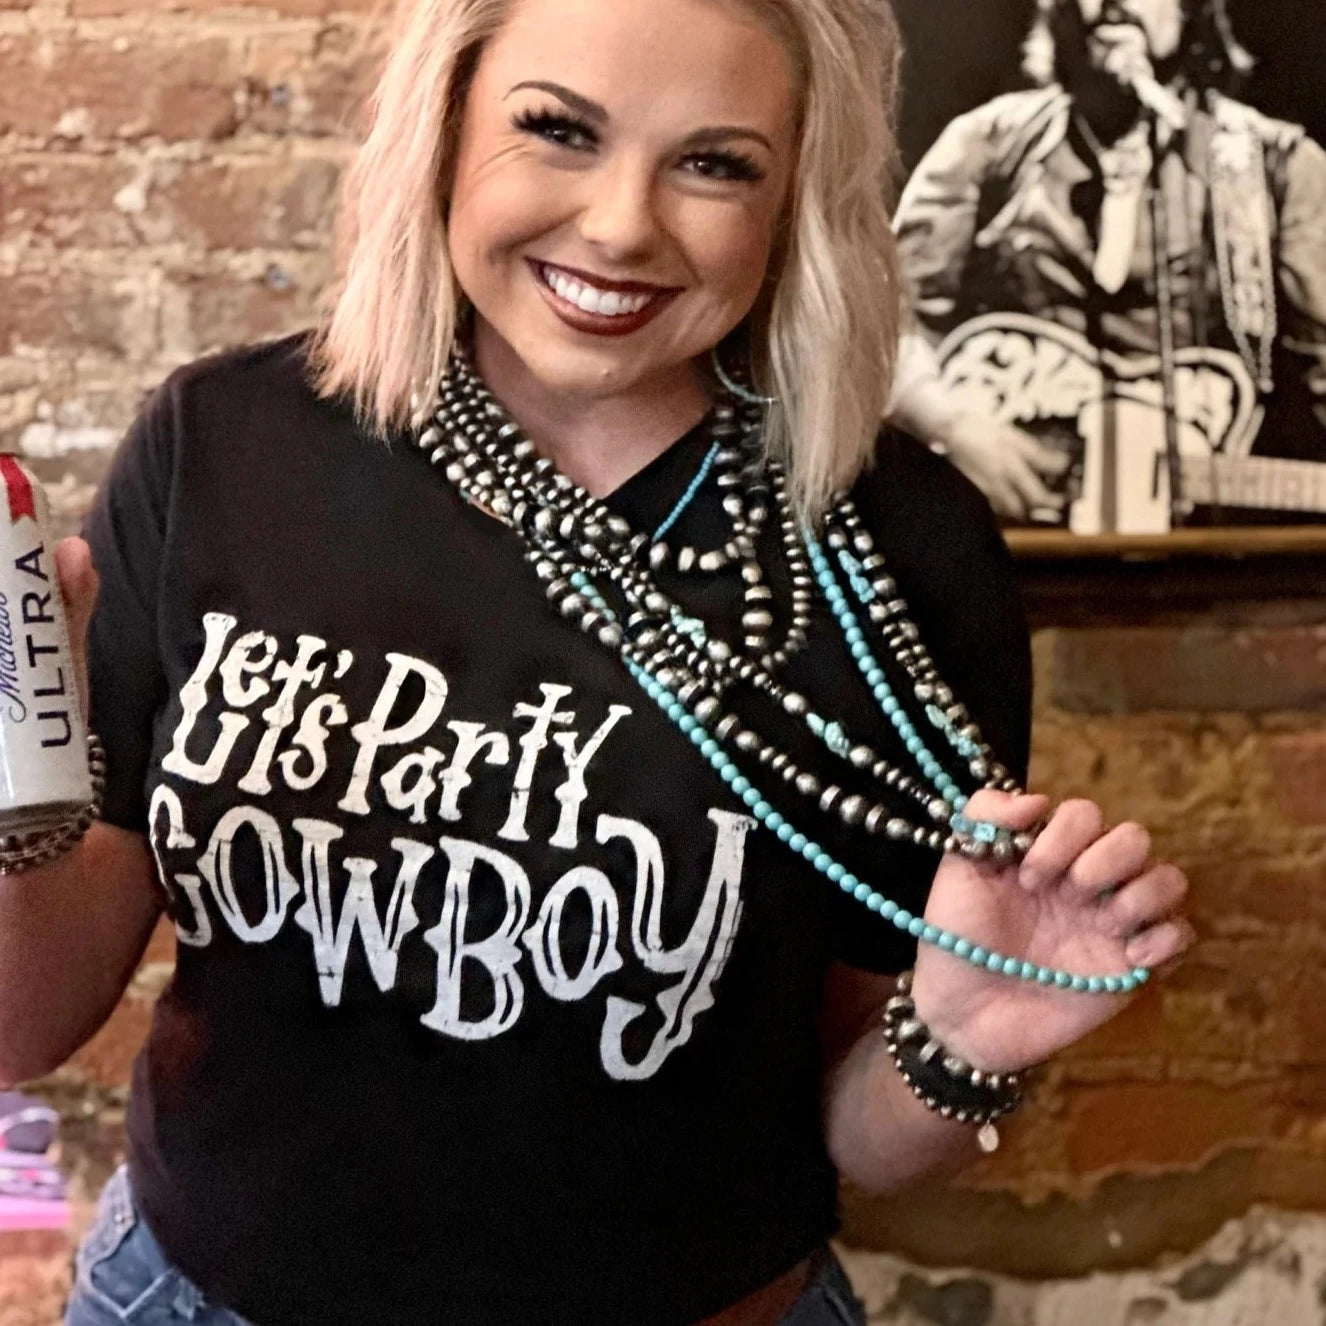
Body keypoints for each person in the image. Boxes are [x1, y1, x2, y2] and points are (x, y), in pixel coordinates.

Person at [0, 0, 1192, 1322]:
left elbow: (854, 1140)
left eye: (715, 161)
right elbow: (23, 1024)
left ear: (794, 190)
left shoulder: (892, 554)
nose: (623, 223)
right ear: (443, 129)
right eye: (556, 130)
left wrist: (959, 1044)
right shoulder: (221, 443)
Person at [893, 0, 1326, 533]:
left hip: (1209, 569)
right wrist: (949, 425)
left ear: (1193, 12)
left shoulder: (1278, 168)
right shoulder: (984, 148)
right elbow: (876, 326)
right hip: (1006, 551)